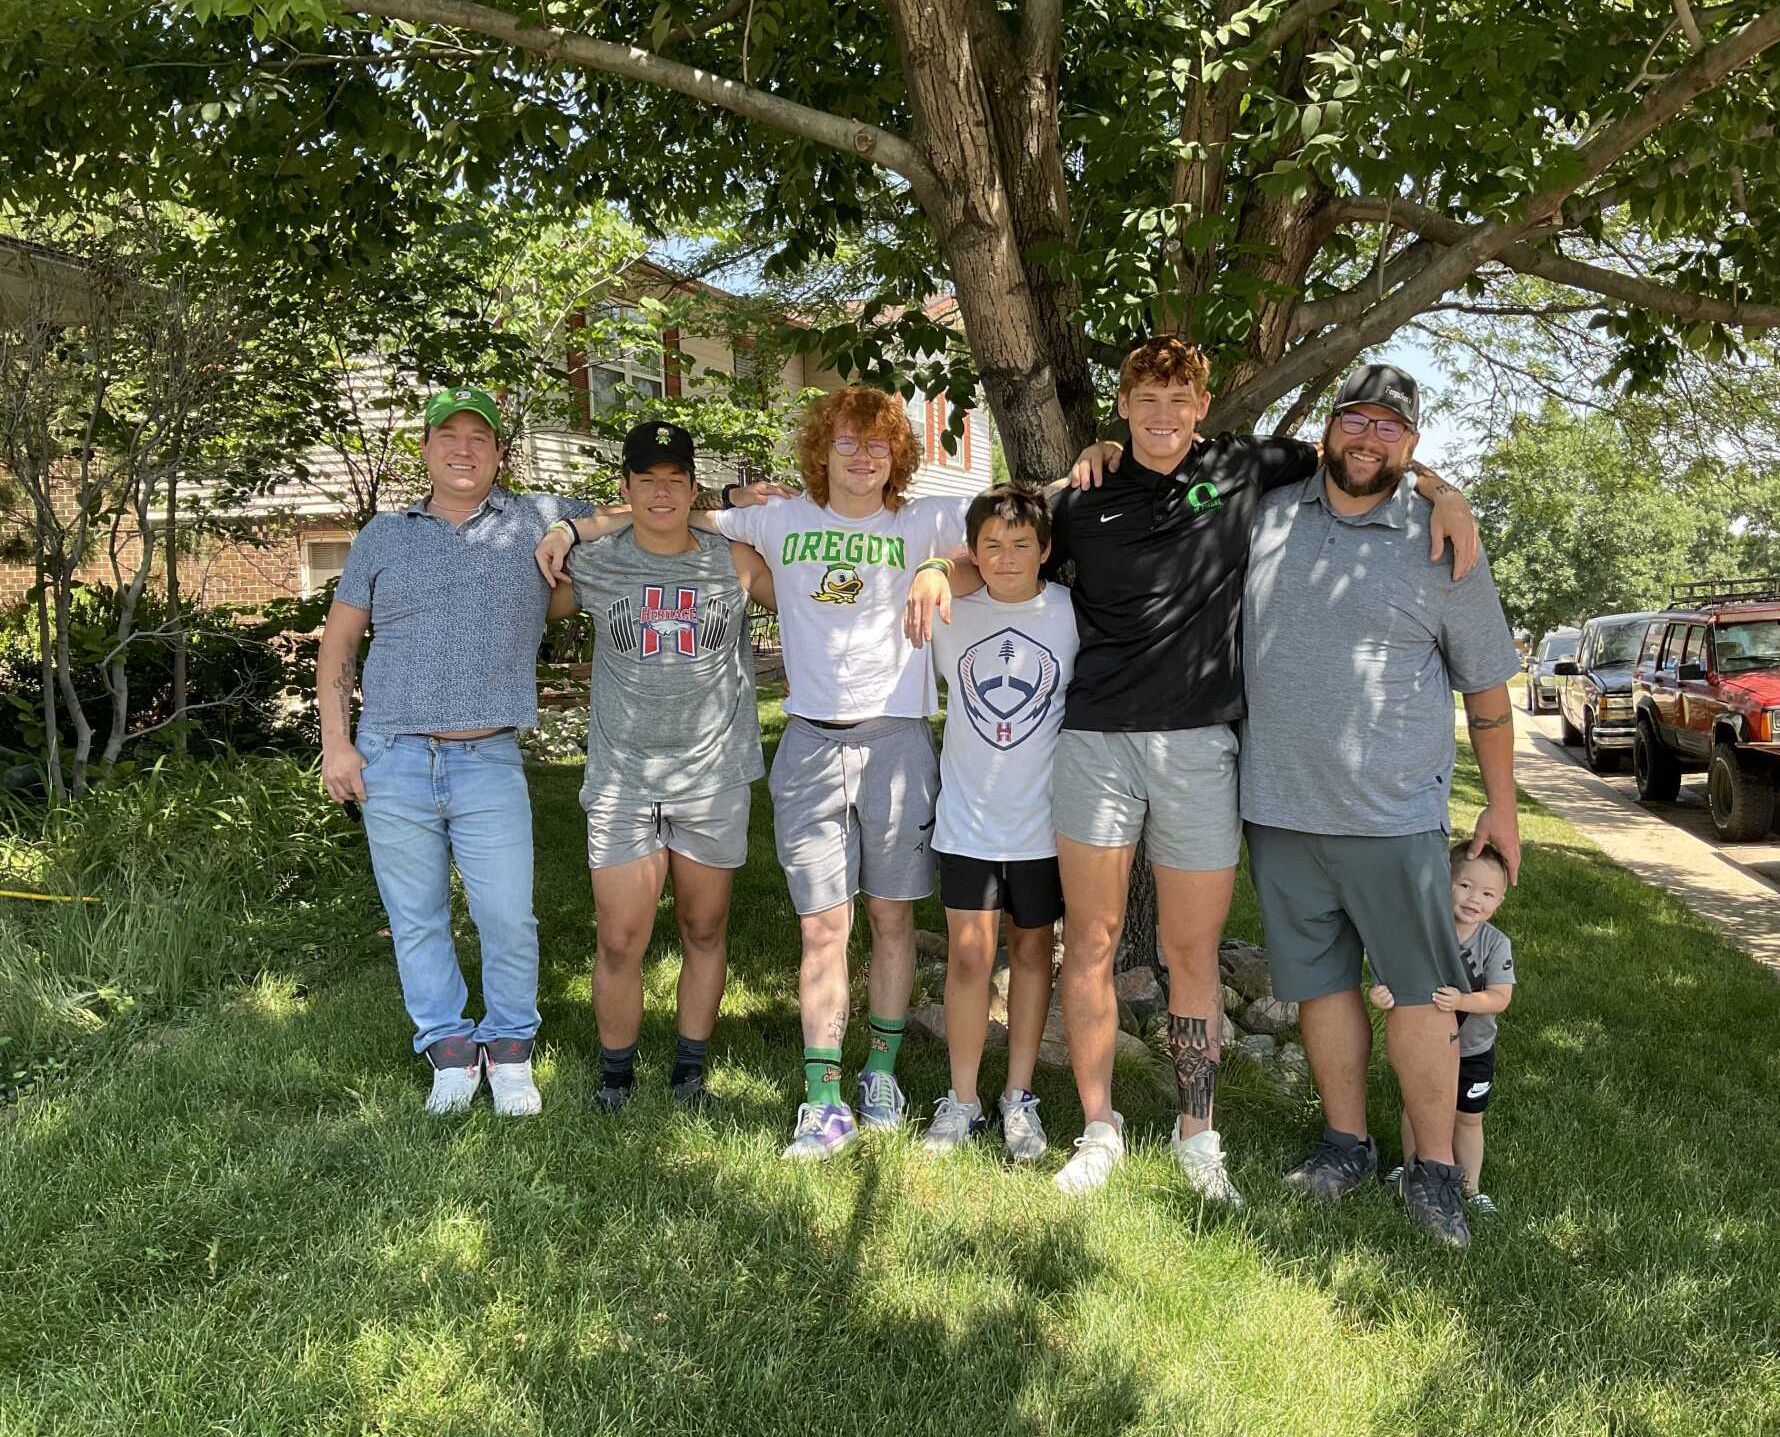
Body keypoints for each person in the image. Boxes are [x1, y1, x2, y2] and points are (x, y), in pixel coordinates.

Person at [907, 337, 1478, 1206]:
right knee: (1090, 943)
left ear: (1203, 405)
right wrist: (934, 568)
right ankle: (1099, 1126)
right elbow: (1002, 547)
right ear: (1124, 406)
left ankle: (1196, 1132)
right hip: (1094, 742)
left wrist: (1448, 494)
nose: (1163, 415)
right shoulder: (1084, 498)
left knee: (1190, 950)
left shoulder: (1246, 467)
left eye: (1180, 398)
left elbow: (1366, 446)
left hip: (1202, 747)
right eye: (1147, 398)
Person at [538, 387, 974, 1160]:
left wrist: (942, 566)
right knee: (822, 925)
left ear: (898, 456)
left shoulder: (923, 519)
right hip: (806, 738)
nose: (863, 456)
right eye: (846, 442)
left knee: (893, 917)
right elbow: (672, 512)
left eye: (878, 445)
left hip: (899, 737)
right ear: (821, 449)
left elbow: (1016, 530)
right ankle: (820, 1096)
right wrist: (574, 523)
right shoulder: (775, 522)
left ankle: (879, 1070)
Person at [1238, 361, 1522, 1249]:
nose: (1368, 439)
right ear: (1329, 428)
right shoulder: (1269, 513)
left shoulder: (1443, 541)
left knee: (1423, 996)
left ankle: (1434, 1171)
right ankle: (1347, 1144)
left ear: (1413, 444)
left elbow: (1486, 692)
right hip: (1279, 808)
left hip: (1395, 816)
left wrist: (1504, 807)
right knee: (1321, 988)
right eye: (1355, 420)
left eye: (1389, 427)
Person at [318, 386, 605, 1116]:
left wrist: (569, 535)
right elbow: (341, 642)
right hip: (393, 754)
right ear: (425, 448)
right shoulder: (383, 533)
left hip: (488, 759)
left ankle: (510, 1051)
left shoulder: (536, 516)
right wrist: (337, 746)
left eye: (480, 438)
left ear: (499, 453)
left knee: (508, 914)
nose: (464, 449)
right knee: (415, 915)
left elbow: (637, 511)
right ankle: (448, 1050)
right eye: (449, 435)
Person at [544, 420, 776, 1114]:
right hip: (623, 778)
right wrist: (568, 533)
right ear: (626, 488)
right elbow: (525, 604)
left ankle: (689, 1072)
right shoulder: (597, 561)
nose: (661, 492)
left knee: (704, 929)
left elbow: (820, 600)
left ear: (694, 488)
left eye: (676, 480)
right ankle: (615, 1076)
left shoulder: (733, 559)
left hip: (713, 776)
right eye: (647, 480)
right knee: (620, 937)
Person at [920, 487, 1077, 1161]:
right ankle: (961, 1099)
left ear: (1046, 550)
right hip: (967, 821)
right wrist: (936, 568)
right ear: (972, 551)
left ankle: (1019, 1097)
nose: (1006, 557)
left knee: (1035, 953)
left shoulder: (1072, 615)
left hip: (1044, 824)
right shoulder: (949, 609)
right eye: (991, 544)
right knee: (970, 956)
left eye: (1022, 544)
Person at [1375, 842, 1515, 1216]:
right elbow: (1392, 978)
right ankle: (1412, 1168)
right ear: (1443, 884)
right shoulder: (1423, 933)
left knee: (1468, 1118)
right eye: (1465, 886)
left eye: (1488, 894)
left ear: (1499, 901)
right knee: (1416, 1107)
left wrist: (1462, 1002)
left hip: (1473, 1050)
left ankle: (1470, 1186)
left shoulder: (1495, 944)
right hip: (1427, 1047)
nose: (1475, 900)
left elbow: (1500, 997)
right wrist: (1383, 994)